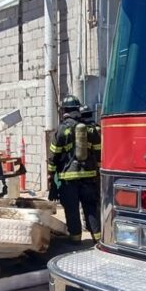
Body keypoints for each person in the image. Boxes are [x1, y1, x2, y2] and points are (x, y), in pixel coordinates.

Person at [47, 95, 102, 243]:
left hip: (68, 179)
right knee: (90, 208)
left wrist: (51, 175)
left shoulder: (61, 130)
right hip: (89, 176)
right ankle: (97, 239)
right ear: (78, 109)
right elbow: (99, 154)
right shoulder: (91, 130)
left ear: (64, 110)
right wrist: (96, 173)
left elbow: (54, 156)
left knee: (72, 210)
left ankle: (76, 239)